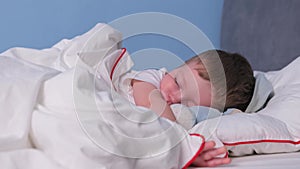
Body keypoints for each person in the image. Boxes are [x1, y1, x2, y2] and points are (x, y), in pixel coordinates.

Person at [119, 49, 255, 122]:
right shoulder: (151, 79)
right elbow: (149, 105)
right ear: (179, 66)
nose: (174, 98)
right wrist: (181, 144)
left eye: (189, 104)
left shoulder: (186, 119)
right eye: (177, 83)